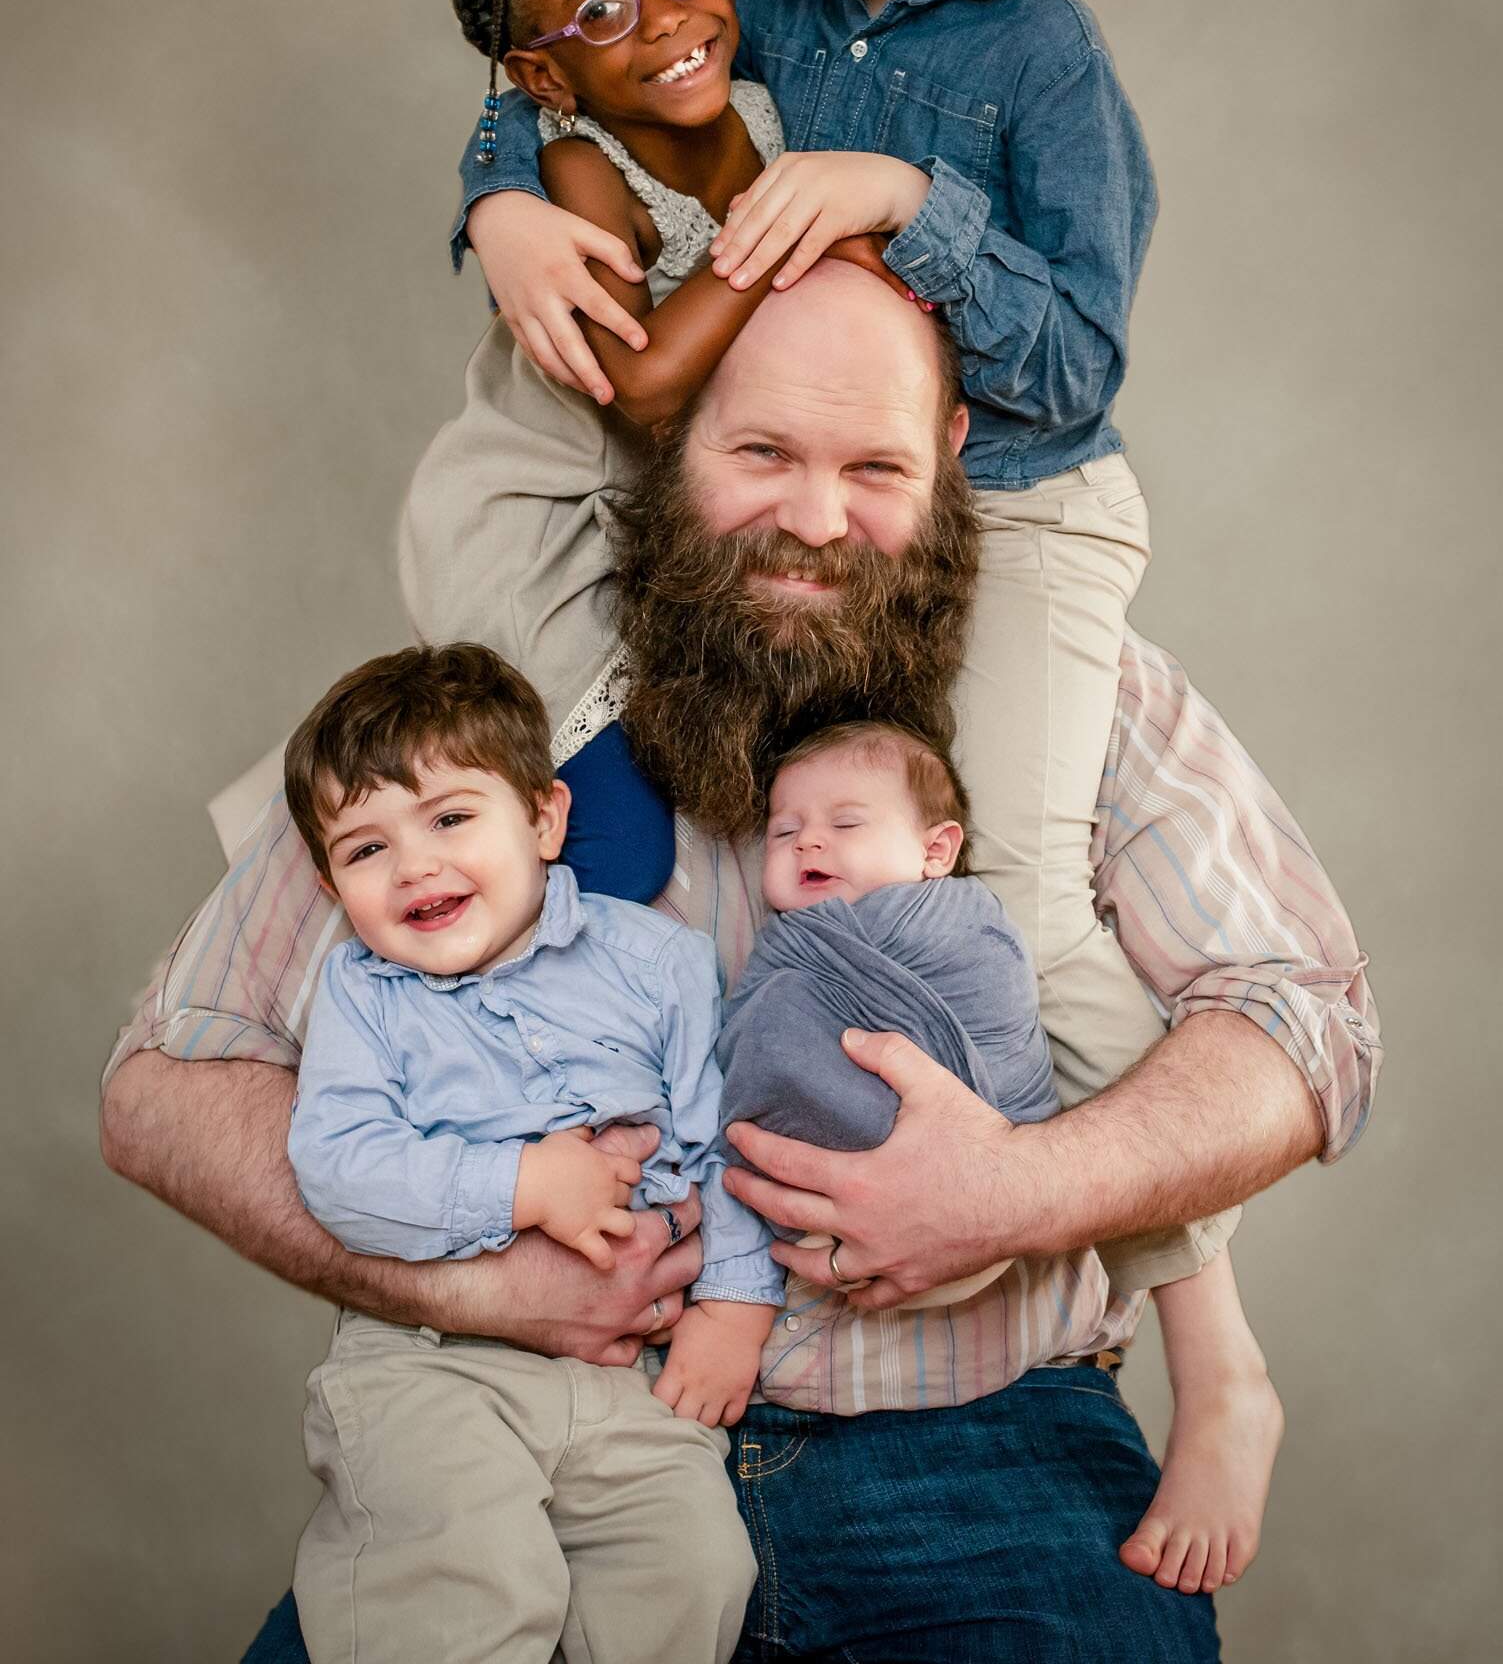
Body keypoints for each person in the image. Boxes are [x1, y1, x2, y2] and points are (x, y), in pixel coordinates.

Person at [102, 260, 1381, 1660]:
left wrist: (1021, 1190)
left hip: (971, 1452)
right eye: (760, 451)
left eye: (874, 465)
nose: (814, 522)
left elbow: (1302, 1023)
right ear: (668, 434)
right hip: (541, 1427)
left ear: (949, 454)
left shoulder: (1066, 690)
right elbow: (163, 1084)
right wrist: (471, 1285)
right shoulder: (501, 707)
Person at [439, 0, 1277, 1584]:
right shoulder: (764, 3)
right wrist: (490, 183)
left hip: (1027, 505)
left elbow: (1071, 365)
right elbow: (591, 72)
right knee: (778, 871)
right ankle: (727, 1271)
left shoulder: (1040, 51)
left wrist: (911, 203)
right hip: (832, 527)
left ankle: (1210, 1344)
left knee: (1027, 910)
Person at [279, 642, 779, 1664]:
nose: (414, 866)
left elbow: (721, 1138)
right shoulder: (363, 995)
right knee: (467, 1579)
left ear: (545, 820)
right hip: (430, 1362)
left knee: (695, 1563)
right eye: (364, 849)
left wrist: (734, 1304)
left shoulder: (656, 961)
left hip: (625, 1372)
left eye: (452, 818)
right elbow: (337, 1164)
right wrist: (522, 1182)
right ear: (331, 879)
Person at [720, 719, 1059, 1311]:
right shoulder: (789, 941)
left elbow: (997, 1013)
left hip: (986, 1183)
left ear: (935, 851)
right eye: (784, 831)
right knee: (775, 1020)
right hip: (811, 1207)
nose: (807, 842)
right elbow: (745, 1033)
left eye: (845, 823)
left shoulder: (962, 922)